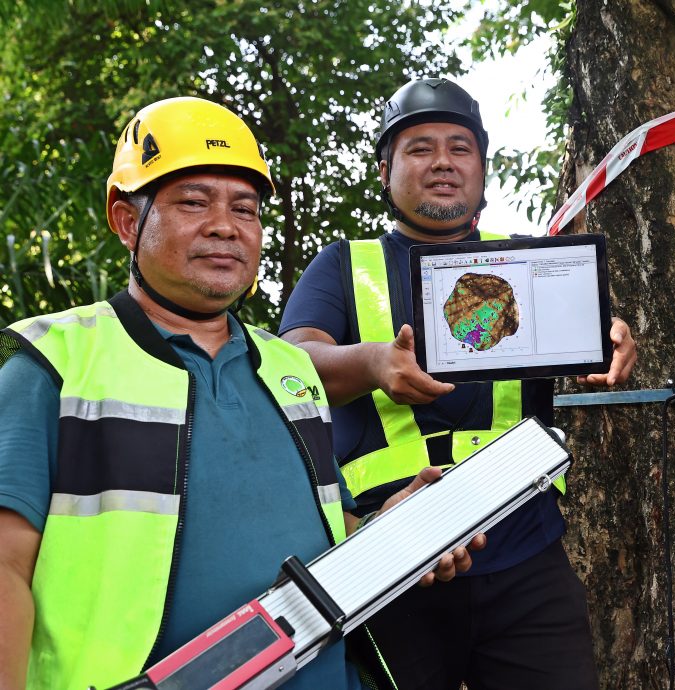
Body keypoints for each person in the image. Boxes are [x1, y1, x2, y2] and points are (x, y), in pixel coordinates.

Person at [0, 96, 478, 690]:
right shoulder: (53, 363)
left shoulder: (290, 370)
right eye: (193, 202)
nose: (224, 226)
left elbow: (330, 531)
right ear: (127, 222)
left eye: (244, 209)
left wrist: (391, 528)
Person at [279, 78, 637, 689]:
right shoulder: (344, 265)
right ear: (386, 171)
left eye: (459, 147)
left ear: (482, 169)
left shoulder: (529, 258)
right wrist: (373, 363)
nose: (443, 162)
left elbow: (590, 339)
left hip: (525, 544)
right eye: (420, 148)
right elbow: (292, 370)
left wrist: (610, 339)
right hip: (393, 549)